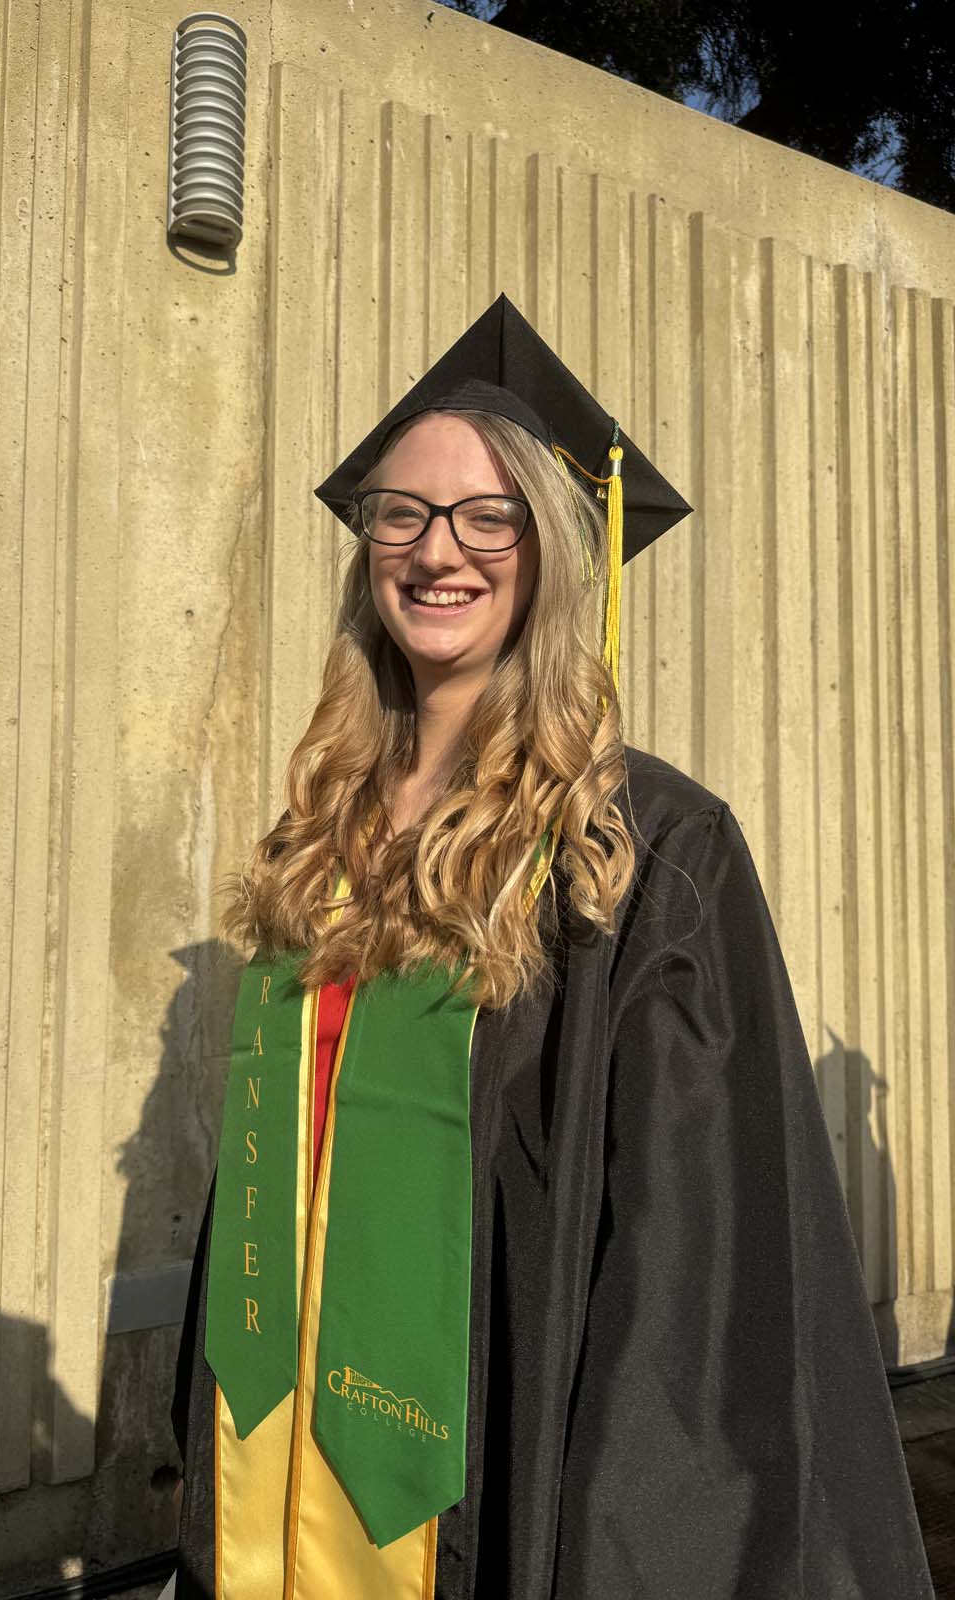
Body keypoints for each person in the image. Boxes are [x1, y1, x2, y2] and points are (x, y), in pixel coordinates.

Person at [171, 295, 933, 1597]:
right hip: (279, 1498)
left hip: (493, 1502)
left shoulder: (638, 852)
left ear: (549, 550)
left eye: (487, 515)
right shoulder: (321, 837)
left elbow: (694, 1265)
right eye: (401, 513)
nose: (436, 549)